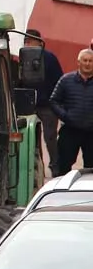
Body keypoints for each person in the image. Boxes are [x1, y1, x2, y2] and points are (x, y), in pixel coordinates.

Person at [23, 29, 63, 172]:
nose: (27, 43)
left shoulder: (49, 58)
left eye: (30, 40)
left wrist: (54, 100)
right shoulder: (23, 57)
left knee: (50, 137)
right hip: (28, 104)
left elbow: (59, 80)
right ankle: (35, 166)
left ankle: (55, 165)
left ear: (40, 42)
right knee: (31, 138)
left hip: (47, 105)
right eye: (26, 41)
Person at [49, 48, 93, 176]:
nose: (87, 63)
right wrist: (65, 116)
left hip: (91, 133)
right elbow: (53, 101)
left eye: (91, 61)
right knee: (63, 165)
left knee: (91, 169)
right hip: (70, 130)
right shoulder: (66, 80)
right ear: (78, 62)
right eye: (85, 60)